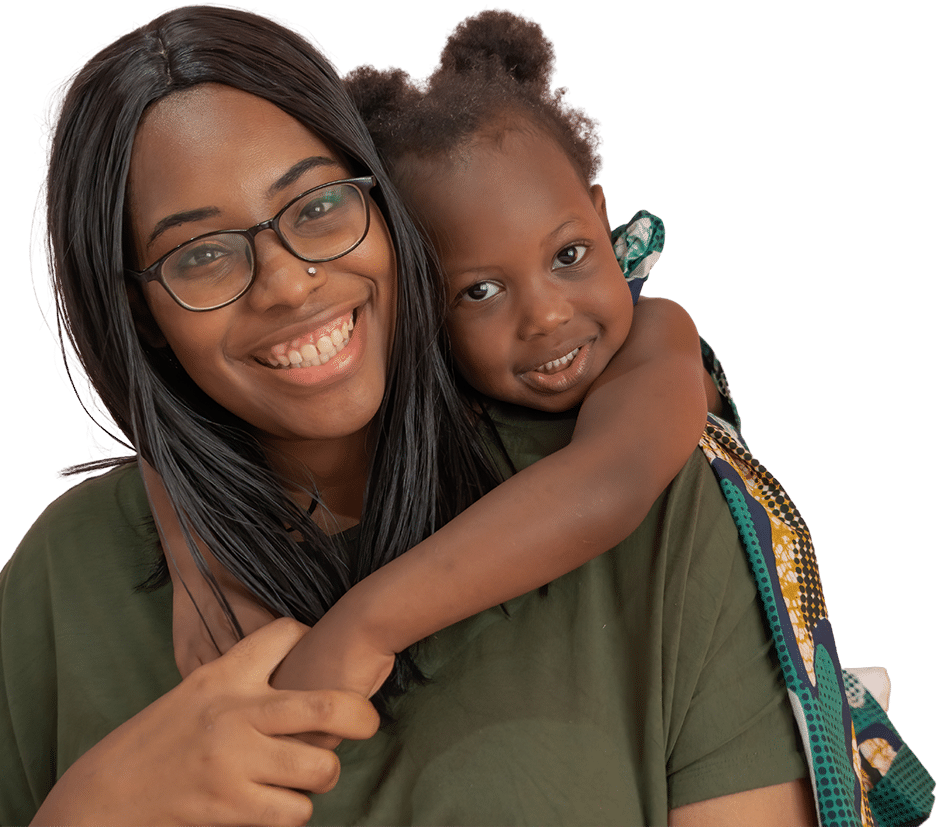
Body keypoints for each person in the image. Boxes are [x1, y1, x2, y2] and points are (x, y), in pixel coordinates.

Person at [0, 4, 827, 826]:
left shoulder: (667, 515)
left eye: (317, 207)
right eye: (199, 256)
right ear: (142, 318)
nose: (286, 282)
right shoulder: (63, 581)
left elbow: (621, 465)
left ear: (387, 216)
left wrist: (359, 626)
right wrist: (90, 810)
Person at [157, 9, 934, 827]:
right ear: (413, 305)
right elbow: (174, 435)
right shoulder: (414, 399)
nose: (548, 317)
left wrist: (365, 624)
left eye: (569, 256)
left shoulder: (654, 335)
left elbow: (611, 483)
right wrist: (192, 557)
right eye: (480, 291)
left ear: (601, 217)